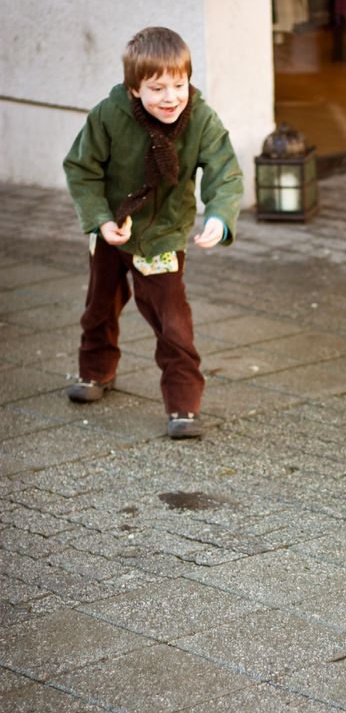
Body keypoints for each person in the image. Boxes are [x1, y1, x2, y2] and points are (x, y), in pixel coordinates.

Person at [63, 26, 244, 438]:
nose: (170, 98)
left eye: (178, 85)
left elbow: (224, 171)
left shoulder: (201, 119)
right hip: (112, 229)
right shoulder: (108, 115)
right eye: (157, 88)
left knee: (172, 320)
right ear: (134, 89)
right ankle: (95, 371)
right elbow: (82, 168)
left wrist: (218, 215)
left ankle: (183, 403)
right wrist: (100, 219)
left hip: (162, 235)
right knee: (99, 306)